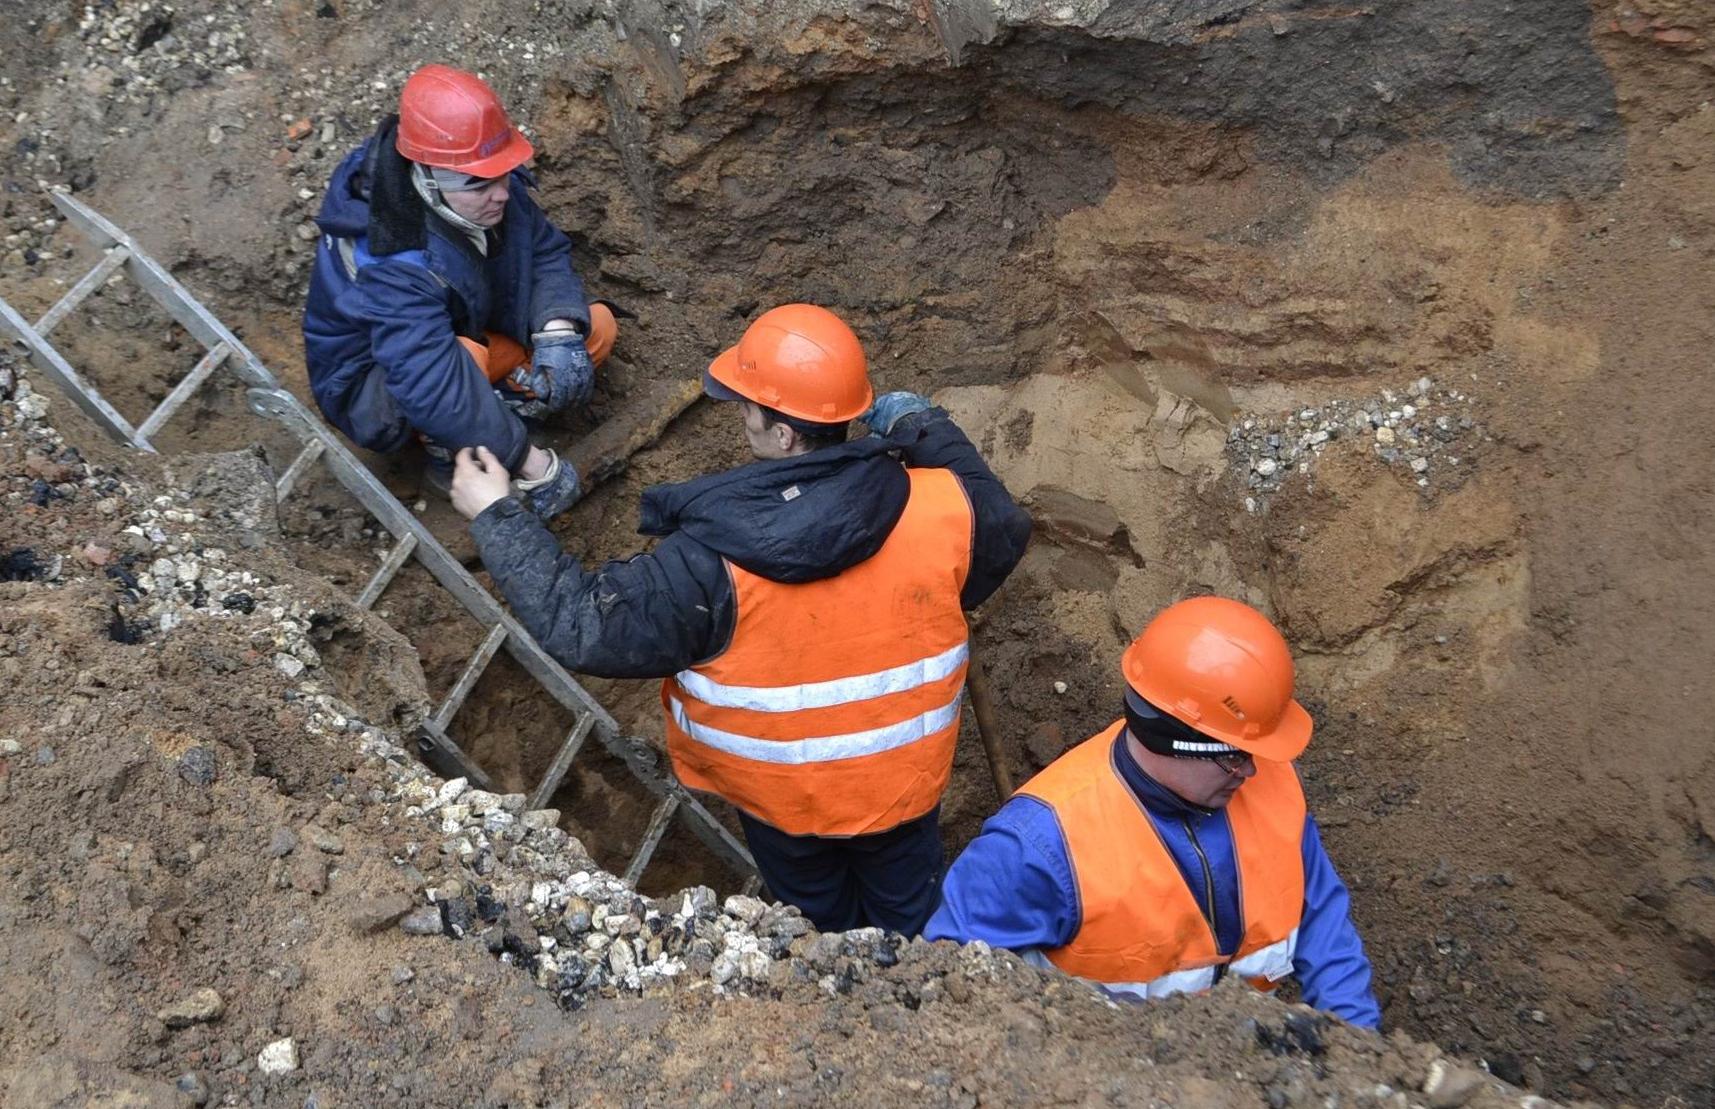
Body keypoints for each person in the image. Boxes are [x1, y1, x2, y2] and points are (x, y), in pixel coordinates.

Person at [449, 303, 1032, 936]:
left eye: (749, 405)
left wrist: (497, 515)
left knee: (817, 923)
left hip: (782, 807)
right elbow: (1000, 523)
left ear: (783, 434)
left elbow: (585, 624)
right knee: (913, 919)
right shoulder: (946, 508)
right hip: (901, 794)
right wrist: (925, 427)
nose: (744, 416)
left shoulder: (707, 567)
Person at [926, 596, 1381, 1029]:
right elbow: (952, 988)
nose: (1251, 770)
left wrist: (1358, 1049)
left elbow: (1324, 926)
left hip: (1237, 1066)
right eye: (1233, 755)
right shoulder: (1038, 845)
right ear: (1170, 742)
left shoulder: (1273, 787)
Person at [302, 63, 614, 519]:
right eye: (481, 183)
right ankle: (453, 455)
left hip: (459, 326)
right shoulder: (387, 257)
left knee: (594, 331)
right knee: (463, 359)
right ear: (428, 177)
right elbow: (429, 381)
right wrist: (531, 463)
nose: (502, 193)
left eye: (505, 173)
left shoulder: (481, 180)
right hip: (377, 385)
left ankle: (496, 412)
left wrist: (557, 331)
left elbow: (542, 250)